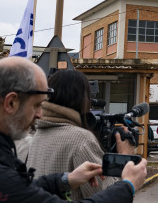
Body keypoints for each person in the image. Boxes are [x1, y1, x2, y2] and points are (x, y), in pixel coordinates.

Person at [0, 57, 147, 202]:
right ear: (11, 102)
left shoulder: (18, 144)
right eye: (37, 105)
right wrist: (127, 184)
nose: (40, 114)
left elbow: (22, 190)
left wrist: (66, 180)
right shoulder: (81, 139)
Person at [27, 70, 137, 200]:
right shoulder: (80, 139)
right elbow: (103, 194)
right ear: (82, 100)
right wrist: (123, 158)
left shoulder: (33, 134)